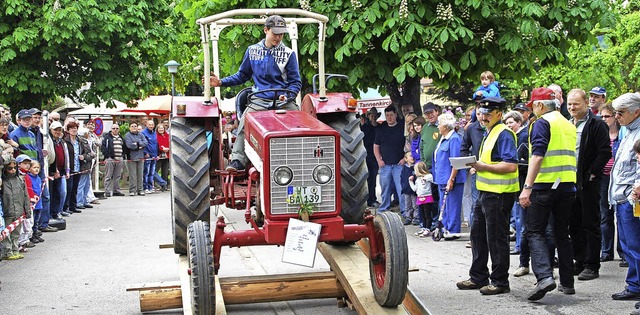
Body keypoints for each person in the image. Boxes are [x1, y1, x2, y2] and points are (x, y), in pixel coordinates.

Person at [210, 15, 302, 171]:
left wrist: (288, 96)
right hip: (260, 100)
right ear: (266, 30)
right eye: (275, 33)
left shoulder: (288, 53)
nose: (278, 37)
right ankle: (238, 161)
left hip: (283, 101)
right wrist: (221, 82)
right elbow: (242, 75)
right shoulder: (252, 51)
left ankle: (301, 158)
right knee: (245, 123)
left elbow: (296, 82)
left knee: (300, 122)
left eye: (281, 34)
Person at [519, 87, 577, 301]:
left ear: (540, 105)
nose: (532, 111)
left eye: (533, 106)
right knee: (562, 233)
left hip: (544, 186)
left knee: (534, 231)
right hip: (567, 185)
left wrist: (527, 187)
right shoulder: (567, 124)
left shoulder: (542, 123)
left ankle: (544, 277)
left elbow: (537, 156)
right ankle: (568, 283)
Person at [456, 97, 519, 295]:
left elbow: (511, 165)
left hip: (499, 194)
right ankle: (478, 276)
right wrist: (478, 168)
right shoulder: (489, 132)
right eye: (481, 113)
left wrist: (483, 167)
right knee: (478, 235)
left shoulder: (504, 134)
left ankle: (500, 281)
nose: (483, 117)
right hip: (485, 192)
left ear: (499, 114)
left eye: (487, 114)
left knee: (496, 238)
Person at [566, 88, 611, 281]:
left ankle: (592, 265)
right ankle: (580, 260)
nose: (572, 107)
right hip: (569, 181)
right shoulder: (566, 124)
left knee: (590, 223)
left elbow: (605, 152)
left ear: (586, 103)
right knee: (573, 223)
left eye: (576, 104)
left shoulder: (597, 124)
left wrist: (592, 173)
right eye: (569, 104)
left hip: (588, 182)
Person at [609, 92, 640, 301]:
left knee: (635, 246)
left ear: (636, 112)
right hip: (622, 197)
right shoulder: (627, 132)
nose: (617, 117)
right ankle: (634, 285)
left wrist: (635, 190)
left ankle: (636, 286)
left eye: (621, 113)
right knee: (629, 246)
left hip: (632, 198)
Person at [599, 104, 626, 265]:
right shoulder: (601, 134)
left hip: (619, 178)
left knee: (621, 215)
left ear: (615, 117)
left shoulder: (623, 134)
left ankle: (623, 252)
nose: (604, 120)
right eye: (601, 116)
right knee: (605, 214)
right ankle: (606, 251)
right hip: (604, 178)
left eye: (607, 116)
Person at [433, 112, 466, 239]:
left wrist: (451, 179)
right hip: (442, 177)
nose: (438, 126)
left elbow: (455, 161)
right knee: (444, 205)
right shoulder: (443, 138)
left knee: (452, 205)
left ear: (446, 126)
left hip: (452, 178)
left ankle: (452, 230)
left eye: (439, 124)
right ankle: (445, 227)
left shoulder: (454, 139)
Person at [374, 105, 406, 214]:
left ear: (396, 115)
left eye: (391, 115)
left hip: (399, 165)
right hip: (385, 165)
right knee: (385, 189)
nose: (389, 117)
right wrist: (379, 160)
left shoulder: (402, 128)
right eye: (387, 115)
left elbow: (408, 145)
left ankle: (404, 212)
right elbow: (376, 146)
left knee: (401, 189)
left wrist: (404, 159)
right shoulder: (381, 129)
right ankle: (384, 209)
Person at [1, 158, 30, 260]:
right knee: (6, 233)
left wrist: (27, 211)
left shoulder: (20, 180)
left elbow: (26, 196)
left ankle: (15, 250)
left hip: (19, 212)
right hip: (7, 211)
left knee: (16, 233)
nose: (13, 170)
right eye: (10, 168)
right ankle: (7, 252)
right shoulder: (3, 182)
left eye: (15, 167)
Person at [63, 122, 90, 214]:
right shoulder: (65, 140)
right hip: (69, 168)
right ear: (68, 130)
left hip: (78, 166)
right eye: (71, 128)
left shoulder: (80, 141)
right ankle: (66, 207)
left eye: (75, 128)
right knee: (69, 188)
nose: (74, 130)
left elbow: (87, 152)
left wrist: (83, 156)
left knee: (75, 187)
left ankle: (73, 206)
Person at [48, 121, 69, 220]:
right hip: (53, 171)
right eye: (55, 129)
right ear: (51, 130)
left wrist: (66, 169)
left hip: (62, 170)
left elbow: (66, 156)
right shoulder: (49, 140)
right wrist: (55, 169)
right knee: (53, 193)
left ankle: (56, 212)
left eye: (59, 130)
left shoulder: (61, 141)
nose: (57, 132)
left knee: (61, 192)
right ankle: (51, 213)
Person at [362, 107, 381, 207]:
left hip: (375, 157)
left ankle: (373, 199)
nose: (373, 117)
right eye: (371, 115)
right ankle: (367, 200)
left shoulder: (379, 127)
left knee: (373, 179)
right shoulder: (363, 128)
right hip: (366, 156)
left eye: (375, 115)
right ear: (368, 116)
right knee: (367, 179)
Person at [410, 161, 434, 236]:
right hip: (420, 197)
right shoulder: (417, 180)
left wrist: (424, 178)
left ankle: (428, 228)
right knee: (422, 214)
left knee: (427, 214)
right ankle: (423, 227)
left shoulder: (428, 176)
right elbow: (414, 189)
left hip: (427, 197)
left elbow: (432, 179)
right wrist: (410, 181)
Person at [141, 120, 166, 194]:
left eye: (152, 125)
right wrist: (145, 153)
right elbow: (144, 144)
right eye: (149, 124)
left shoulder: (154, 133)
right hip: (148, 156)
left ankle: (150, 187)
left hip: (154, 155)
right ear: (146, 124)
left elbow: (156, 144)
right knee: (146, 172)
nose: (151, 126)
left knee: (152, 173)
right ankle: (145, 187)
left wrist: (158, 154)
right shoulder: (143, 133)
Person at [101, 124, 125, 197]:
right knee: (108, 175)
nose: (115, 129)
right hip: (110, 159)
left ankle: (116, 190)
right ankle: (107, 191)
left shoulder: (121, 138)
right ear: (111, 129)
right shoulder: (107, 138)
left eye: (117, 128)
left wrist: (122, 156)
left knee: (117, 175)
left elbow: (124, 147)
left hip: (119, 158)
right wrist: (107, 156)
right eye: (113, 128)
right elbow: (103, 147)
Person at [124, 122, 148, 196]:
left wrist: (137, 143)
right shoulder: (127, 135)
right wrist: (138, 146)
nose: (134, 127)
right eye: (132, 126)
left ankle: (140, 189)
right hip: (131, 158)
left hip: (141, 157)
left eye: (135, 126)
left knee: (140, 175)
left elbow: (145, 142)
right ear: (129, 128)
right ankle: (132, 190)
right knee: (133, 175)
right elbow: (129, 145)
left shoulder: (141, 134)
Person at [401, 152, 418, 225]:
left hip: (413, 190)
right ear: (406, 159)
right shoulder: (404, 168)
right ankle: (408, 217)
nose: (412, 157)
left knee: (415, 205)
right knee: (407, 205)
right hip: (406, 190)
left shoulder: (415, 168)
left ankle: (416, 217)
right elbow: (402, 178)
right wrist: (403, 187)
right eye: (410, 156)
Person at [155, 124, 170, 191]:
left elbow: (170, 143)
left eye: (162, 128)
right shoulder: (156, 136)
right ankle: (159, 183)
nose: (161, 130)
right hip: (159, 155)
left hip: (167, 155)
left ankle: (164, 186)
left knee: (165, 171)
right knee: (155, 171)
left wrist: (168, 148)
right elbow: (157, 144)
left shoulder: (167, 136)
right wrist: (162, 148)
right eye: (159, 128)